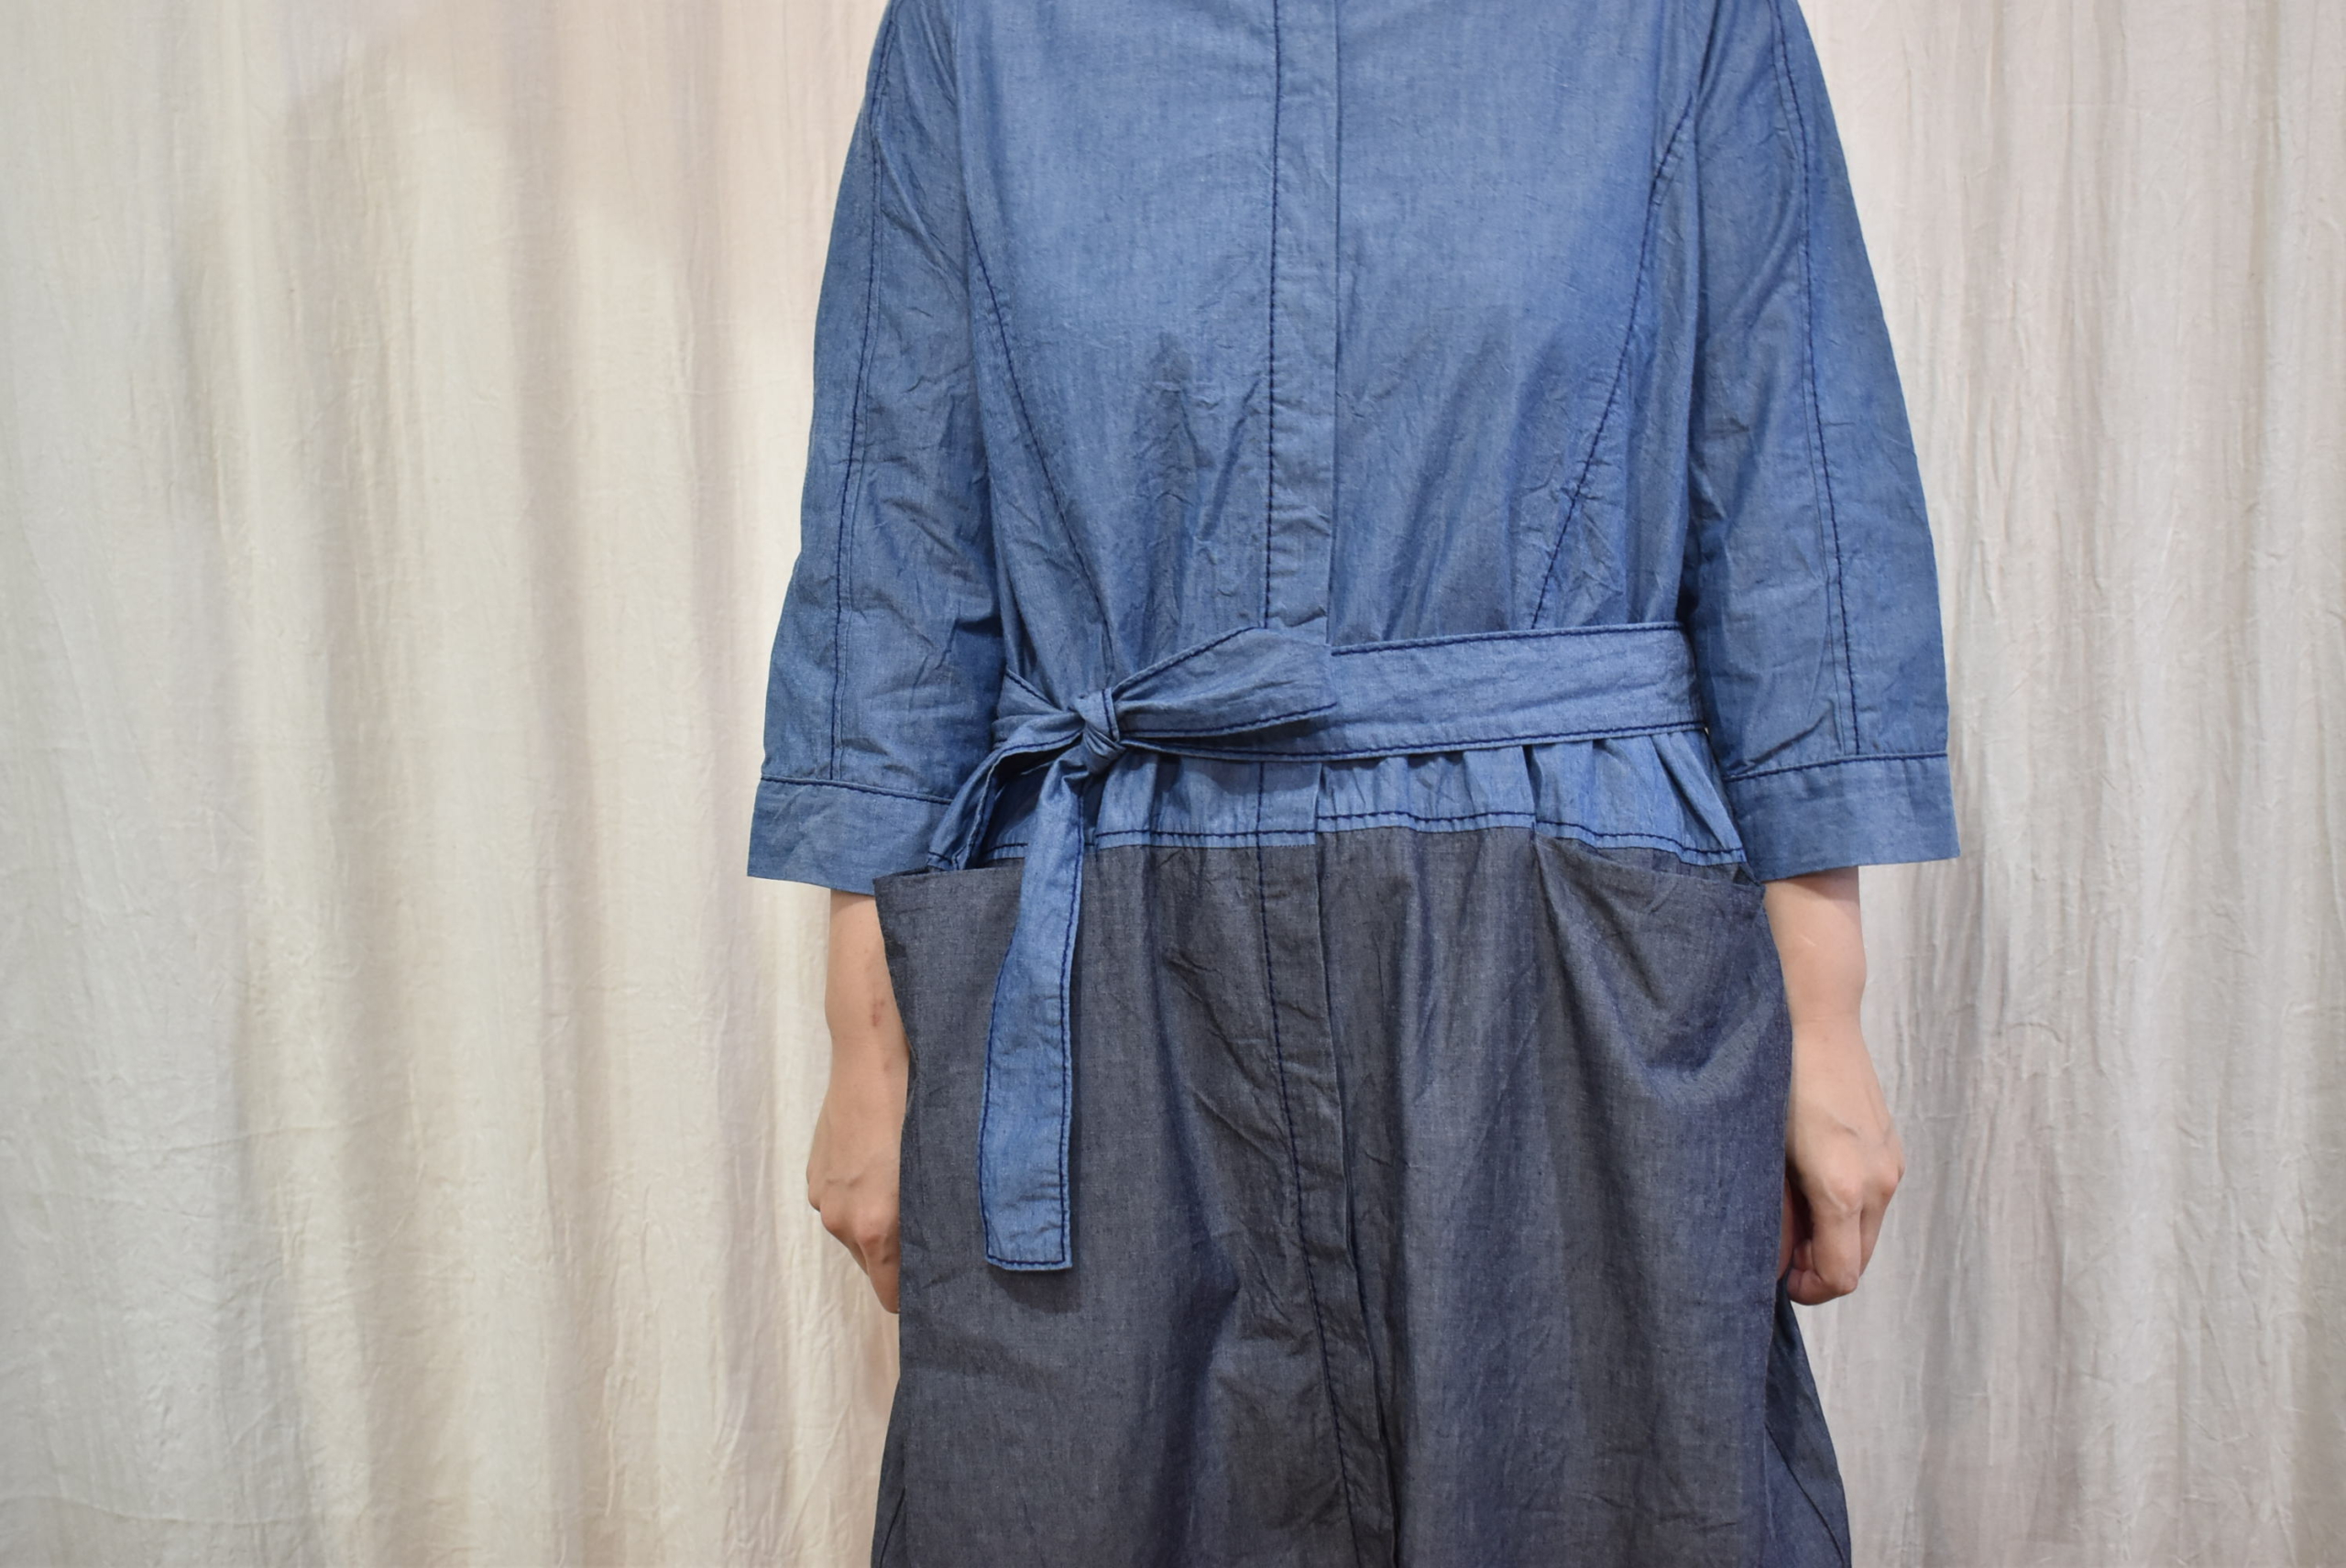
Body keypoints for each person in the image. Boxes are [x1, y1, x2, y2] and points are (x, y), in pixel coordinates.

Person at [751, 0, 1958, 1560]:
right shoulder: (983, 32)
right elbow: (894, 533)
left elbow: (1798, 472)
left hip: (1563, 937)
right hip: (1121, 954)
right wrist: (867, 1048)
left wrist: (1825, 1018)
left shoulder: (1675, 22)